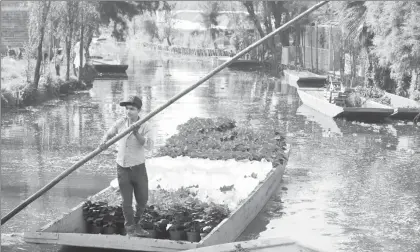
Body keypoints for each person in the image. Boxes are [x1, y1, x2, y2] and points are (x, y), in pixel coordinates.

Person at [99, 95, 154, 237]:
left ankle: (136, 224)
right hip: (122, 168)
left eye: (132, 109)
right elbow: (110, 133)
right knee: (126, 201)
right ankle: (130, 229)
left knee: (142, 199)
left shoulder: (146, 125)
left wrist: (136, 133)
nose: (129, 112)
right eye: (127, 108)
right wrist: (104, 141)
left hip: (138, 167)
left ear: (138, 110)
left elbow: (149, 146)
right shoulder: (121, 122)